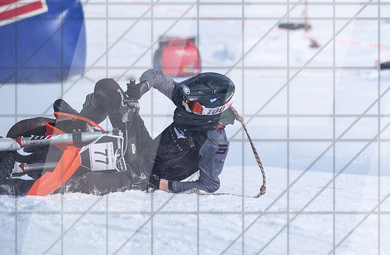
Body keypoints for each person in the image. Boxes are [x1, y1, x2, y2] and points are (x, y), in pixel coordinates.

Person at [2, 70, 234, 196]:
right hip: (141, 147)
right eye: (184, 101)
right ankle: (79, 125)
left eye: (190, 106)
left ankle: (13, 188)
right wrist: (142, 88)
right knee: (108, 87)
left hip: (140, 176)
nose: (183, 106)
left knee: (80, 183)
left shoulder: (215, 143)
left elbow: (208, 185)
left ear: (209, 113)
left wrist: (165, 186)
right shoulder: (186, 102)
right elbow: (157, 77)